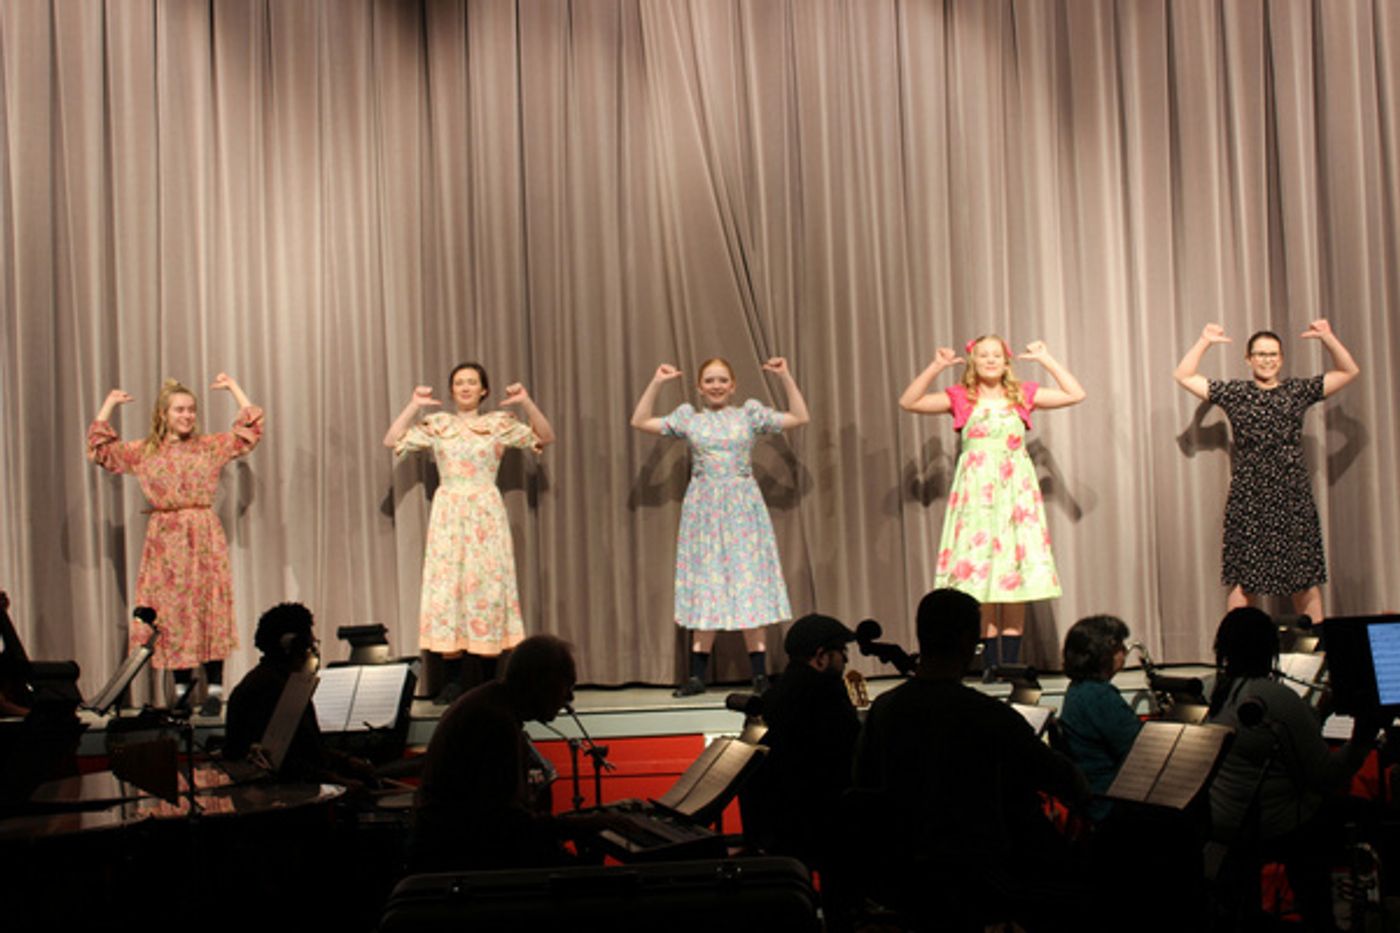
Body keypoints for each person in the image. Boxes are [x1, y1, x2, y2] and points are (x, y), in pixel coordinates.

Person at [853, 588, 1090, 930]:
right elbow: (1067, 781)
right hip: (976, 877)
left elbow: (862, 785)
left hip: (901, 875)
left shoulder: (884, 709)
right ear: (966, 640)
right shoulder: (986, 714)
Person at [899, 338, 1086, 673]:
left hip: (1015, 495)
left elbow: (1075, 394)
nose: (990, 360)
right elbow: (909, 401)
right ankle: (990, 667)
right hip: (976, 497)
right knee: (982, 579)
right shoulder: (961, 396)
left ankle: (1010, 667)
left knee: (1013, 580)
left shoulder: (1022, 394)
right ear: (973, 360)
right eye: (983, 355)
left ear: (1006, 361)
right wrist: (937, 366)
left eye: (996, 355)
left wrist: (1046, 359)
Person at [631, 356, 809, 697]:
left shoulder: (748, 416)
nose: (716, 386)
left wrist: (785, 376)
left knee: (748, 579)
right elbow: (639, 421)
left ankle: (759, 676)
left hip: (742, 506)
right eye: (709, 380)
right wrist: (657, 382)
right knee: (706, 580)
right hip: (704, 509)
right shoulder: (690, 419)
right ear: (699, 387)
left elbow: (800, 417)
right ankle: (697, 677)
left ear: (733, 385)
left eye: (722, 380)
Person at [88, 374, 263, 714]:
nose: (187, 416)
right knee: (172, 613)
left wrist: (234, 388)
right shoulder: (146, 451)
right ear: (163, 414)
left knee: (208, 607)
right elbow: (101, 450)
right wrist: (109, 404)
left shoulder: (207, 446)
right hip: (166, 539)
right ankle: (182, 691)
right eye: (180, 410)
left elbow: (251, 430)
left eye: (191, 410)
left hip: (203, 534)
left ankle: (214, 692)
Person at [384, 363, 555, 704]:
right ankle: (452, 681)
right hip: (449, 512)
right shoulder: (439, 424)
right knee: (450, 590)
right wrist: (414, 405)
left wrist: (525, 401)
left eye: (472, 382)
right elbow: (392, 440)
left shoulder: (498, 424)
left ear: (483, 390)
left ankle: (487, 680)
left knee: (485, 588)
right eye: (459, 382)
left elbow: (545, 437)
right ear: (451, 390)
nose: (465, 387)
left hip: (485, 512)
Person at [1173, 320, 1359, 620]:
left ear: (1281, 359)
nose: (1267, 360)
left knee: (1304, 579)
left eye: (1272, 354)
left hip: (1292, 495)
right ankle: (1237, 646)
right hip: (1250, 496)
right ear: (1248, 359)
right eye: (1260, 354)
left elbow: (1348, 371)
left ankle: (1319, 645)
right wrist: (1205, 341)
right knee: (1243, 580)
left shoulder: (1297, 391)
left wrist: (1327, 337)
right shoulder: (1235, 393)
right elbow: (1183, 375)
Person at [1207, 607, 1378, 931]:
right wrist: (1362, 738)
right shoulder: (1277, 697)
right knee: (1361, 811)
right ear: (1269, 650)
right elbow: (1327, 776)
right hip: (1268, 825)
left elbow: (1274, 736)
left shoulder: (1218, 691)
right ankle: (1329, 915)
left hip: (1225, 818)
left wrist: (1319, 713)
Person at [411, 633, 581, 871]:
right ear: (540, 682)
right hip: (463, 863)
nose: (569, 698)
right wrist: (583, 825)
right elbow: (508, 828)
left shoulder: (489, 704)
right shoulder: (495, 722)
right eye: (567, 685)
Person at [744, 613, 861, 866]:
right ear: (821, 657)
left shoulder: (771, 697)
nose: (846, 659)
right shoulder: (827, 696)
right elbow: (849, 759)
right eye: (841, 651)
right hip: (822, 827)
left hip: (777, 830)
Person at [223, 602, 373, 785]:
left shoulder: (275, 680)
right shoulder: (272, 689)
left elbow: (307, 751)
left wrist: (346, 761)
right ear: (294, 645)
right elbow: (283, 765)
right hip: (281, 797)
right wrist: (340, 782)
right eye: (310, 645)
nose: (312, 652)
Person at [1057, 614, 1142, 822]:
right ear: (1103, 654)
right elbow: (1140, 750)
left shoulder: (1077, 689)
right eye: (1119, 646)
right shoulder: (1099, 696)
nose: (1124, 652)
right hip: (1110, 804)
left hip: (1091, 797)